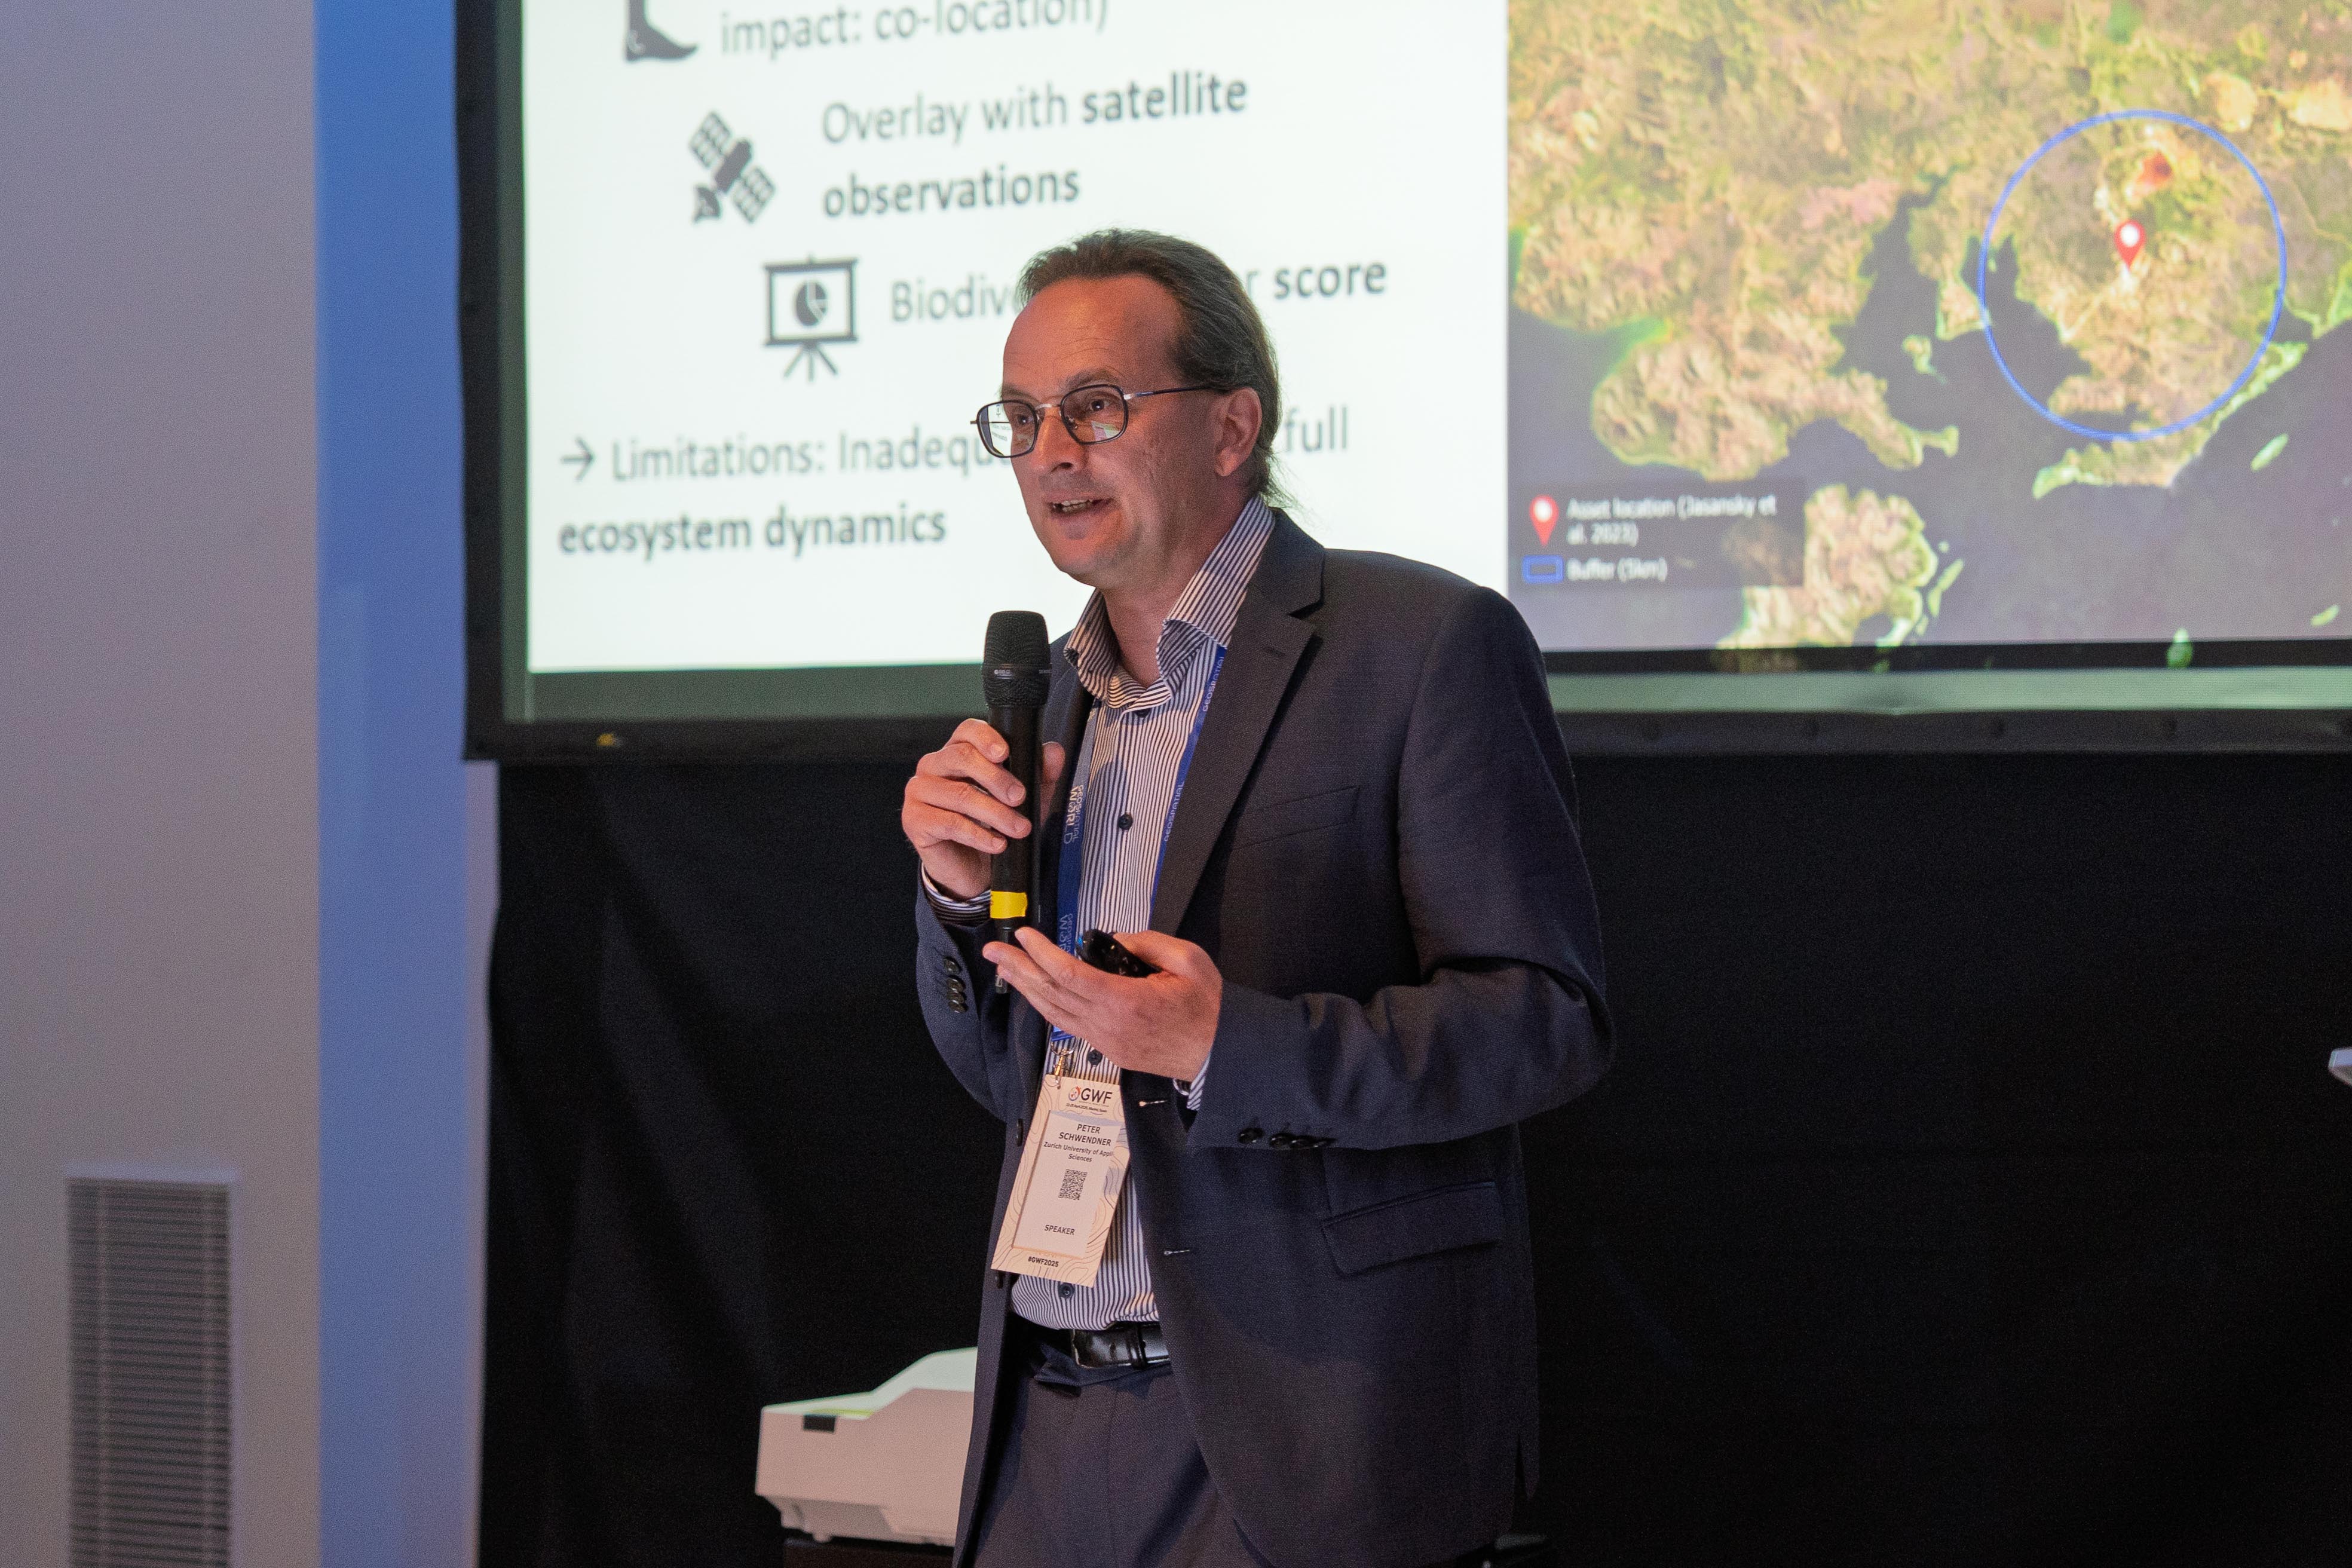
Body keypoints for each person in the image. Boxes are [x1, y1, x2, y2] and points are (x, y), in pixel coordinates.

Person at [899, 229, 1611, 1568]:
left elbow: (1545, 1021)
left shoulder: (1418, 647)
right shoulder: (1048, 701)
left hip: (1301, 1430)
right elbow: (1011, 1075)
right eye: (1022, 418)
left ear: (1233, 426)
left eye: (1095, 407)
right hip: (1047, 1422)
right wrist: (957, 902)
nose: (1051, 453)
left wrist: (1230, 1048)